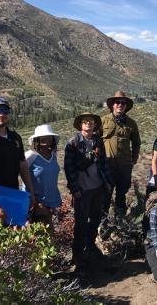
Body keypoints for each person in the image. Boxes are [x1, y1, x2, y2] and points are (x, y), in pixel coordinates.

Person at [64, 112, 113, 274]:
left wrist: (107, 183)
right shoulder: (72, 143)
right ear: (80, 125)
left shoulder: (98, 141)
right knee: (81, 223)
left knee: (95, 219)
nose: (88, 124)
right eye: (85, 122)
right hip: (83, 190)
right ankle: (77, 256)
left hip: (97, 187)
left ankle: (90, 248)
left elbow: (104, 163)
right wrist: (75, 189)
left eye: (91, 122)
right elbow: (69, 169)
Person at [102, 91, 141, 217]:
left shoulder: (131, 123)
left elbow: (136, 143)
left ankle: (120, 223)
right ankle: (102, 225)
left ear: (125, 106)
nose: (120, 105)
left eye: (123, 103)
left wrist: (133, 159)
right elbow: (95, 140)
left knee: (121, 195)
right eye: (117, 102)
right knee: (105, 196)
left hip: (124, 167)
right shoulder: (103, 121)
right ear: (112, 105)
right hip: (107, 166)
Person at [24, 124, 62, 231]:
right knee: (40, 237)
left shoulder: (53, 155)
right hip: (36, 204)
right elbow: (21, 174)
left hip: (52, 202)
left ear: (52, 139)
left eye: (48, 137)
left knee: (48, 237)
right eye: (42, 137)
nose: (45, 139)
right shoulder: (30, 156)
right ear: (37, 139)